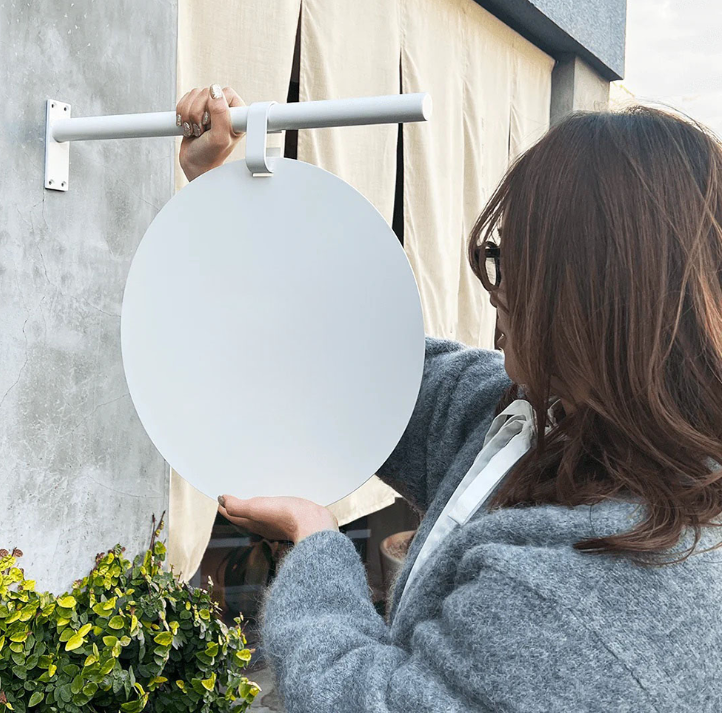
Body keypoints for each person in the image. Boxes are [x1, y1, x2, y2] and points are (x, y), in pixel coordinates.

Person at [176, 85, 722, 711]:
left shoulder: (584, 598)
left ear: (594, 300)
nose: (496, 290)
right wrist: (220, 197)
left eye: (511, 261)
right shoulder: (543, 421)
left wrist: (316, 541)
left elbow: (369, 701)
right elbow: (343, 356)